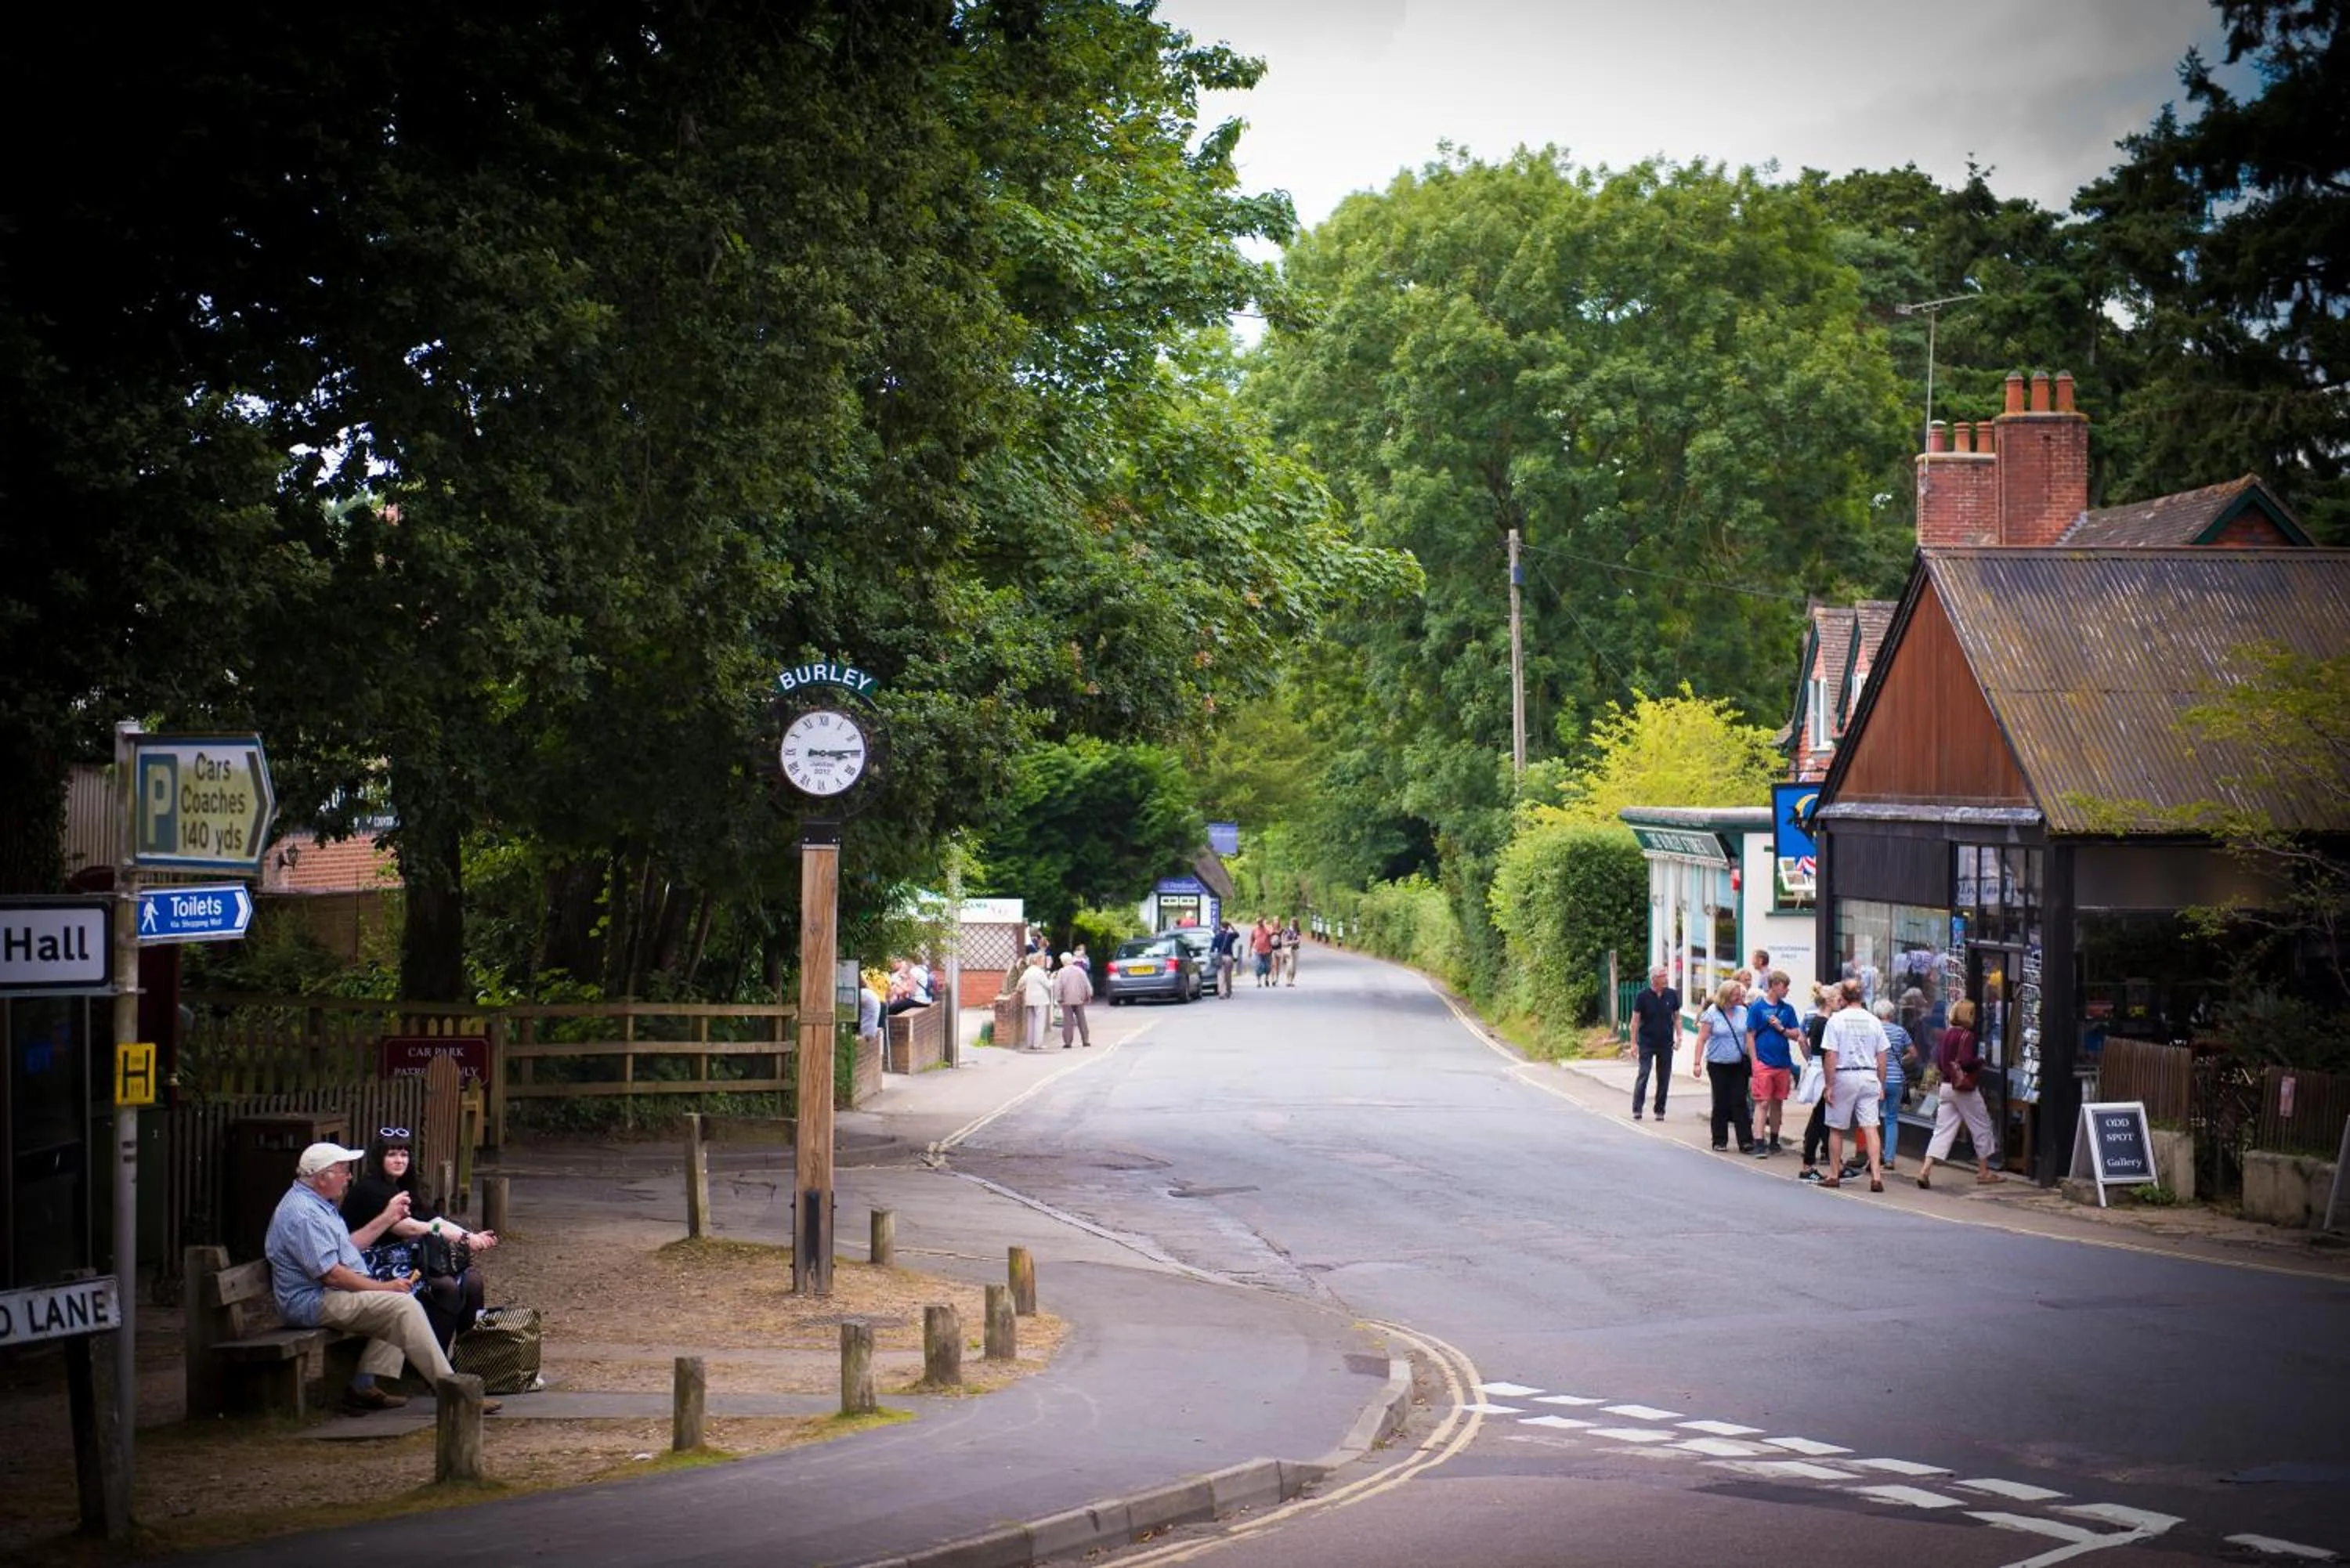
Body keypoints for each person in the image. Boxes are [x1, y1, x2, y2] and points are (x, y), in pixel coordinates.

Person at [264, 1140, 494, 1415]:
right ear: (322, 1177)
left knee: (399, 1301)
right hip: (309, 1302)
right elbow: (333, 1275)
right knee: (401, 1305)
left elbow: (349, 1246)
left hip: (326, 1293)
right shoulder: (304, 1214)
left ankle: (363, 1386)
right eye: (343, 1171)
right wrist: (383, 1286)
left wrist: (386, 1218)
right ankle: (455, 1394)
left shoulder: (319, 1203)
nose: (349, 1177)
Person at [344, 1129, 497, 1351]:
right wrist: (460, 1237)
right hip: (372, 1266)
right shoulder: (370, 1189)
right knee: (445, 1288)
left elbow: (433, 1218)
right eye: (392, 1154)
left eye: (404, 1154)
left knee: (472, 1282)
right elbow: (407, 1227)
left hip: (407, 1262)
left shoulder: (405, 1186)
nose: (399, 1160)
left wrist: (471, 1236)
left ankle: (468, 1359)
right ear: (379, 1158)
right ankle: (432, 1362)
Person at [1916, 998, 2004, 1188]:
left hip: (1946, 1087)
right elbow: (1965, 1061)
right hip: (1963, 1088)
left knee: (1942, 1130)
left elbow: (1940, 1062)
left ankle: (1925, 1169)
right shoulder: (1967, 1035)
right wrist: (1980, 1061)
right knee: (1981, 1124)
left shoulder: (1947, 1034)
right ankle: (1984, 1171)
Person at [1819, 979, 1888, 1191]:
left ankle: (1834, 1174)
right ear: (1862, 995)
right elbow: (1882, 1055)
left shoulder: (1836, 1020)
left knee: (1836, 1128)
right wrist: (1881, 1083)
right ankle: (1876, 1176)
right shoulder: (1874, 1021)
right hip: (1868, 1075)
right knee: (1871, 1127)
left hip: (1845, 1074)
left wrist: (1829, 1085)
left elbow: (1831, 1054)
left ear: (1843, 997)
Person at [1694, 981, 1755, 1153]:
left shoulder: (1743, 1012)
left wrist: (1754, 1060)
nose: (1739, 998)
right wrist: (1697, 1063)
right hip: (1717, 1064)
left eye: (1739, 995)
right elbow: (1701, 1040)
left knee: (1740, 1101)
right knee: (1721, 1101)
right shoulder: (1711, 1014)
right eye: (1735, 995)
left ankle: (1745, 1141)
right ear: (1726, 995)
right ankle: (1719, 1140)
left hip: (1738, 1064)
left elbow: (1749, 1038)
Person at [1746, 970, 1799, 1157]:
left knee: (1778, 1102)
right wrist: (1754, 1061)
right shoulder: (1757, 1008)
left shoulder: (1788, 1009)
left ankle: (1774, 1140)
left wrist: (1781, 1028)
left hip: (1782, 1062)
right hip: (1764, 1063)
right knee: (1762, 1102)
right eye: (1785, 987)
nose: (1787, 991)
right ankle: (1759, 1141)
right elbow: (1750, 1036)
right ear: (1775, 986)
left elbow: (1796, 1034)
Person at [1795, 984, 1836, 1182]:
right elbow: (1827, 1052)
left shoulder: (1818, 1021)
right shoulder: (1824, 1023)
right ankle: (1808, 1164)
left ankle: (1829, 1163)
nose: (1839, 1001)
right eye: (1836, 998)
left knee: (1821, 1117)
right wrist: (1830, 1081)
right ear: (1828, 1001)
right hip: (1822, 1072)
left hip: (1818, 1069)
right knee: (1820, 1118)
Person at [1871, 998, 1915, 1176]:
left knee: (1872, 1119)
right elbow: (1914, 1053)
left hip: (1876, 1079)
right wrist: (1900, 1061)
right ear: (1891, 1014)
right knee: (1891, 1119)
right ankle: (1889, 1158)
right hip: (1896, 1079)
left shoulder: (1873, 1029)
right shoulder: (1900, 1031)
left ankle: (1875, 1155)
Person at [1629, 965, 1679, 1121]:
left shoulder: (1671, 994)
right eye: (1663, 976)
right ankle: (1637, 1108)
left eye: (1666, 975)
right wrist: (1633, 1043)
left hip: (1666, 1042)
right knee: (1644, 1073)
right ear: (1654, 979)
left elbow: (1677, 1017)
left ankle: (1660, 1110)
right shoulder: (1642, 996)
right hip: (1647, 1042)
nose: (1666, 978)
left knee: (1664, 1077)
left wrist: (1680, 1036)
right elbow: (1635, 1021)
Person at [1053, 949, 1094, 1048]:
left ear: (1063, 961)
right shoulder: (1080, 971)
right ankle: (1085, 1040)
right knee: (1082, 1019)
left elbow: (1058, 986)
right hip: (1079, 999)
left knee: (1068, 1021)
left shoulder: (1061, 972)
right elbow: (1086, 984)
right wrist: (1089, 995)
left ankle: (1068, 1042)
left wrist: (1058, 998)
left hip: (1066, 1000)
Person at [1017, 952, 1055, 1051]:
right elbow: (1048, 985)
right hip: (1040, 999)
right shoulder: (1040, 972)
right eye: (1042, 960)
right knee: (1039, 1022)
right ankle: (1038, 1044)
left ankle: (1030, 1043)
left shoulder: (1028, 971)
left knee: (1030, 1021)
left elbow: (1020, 983)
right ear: (1038, 961)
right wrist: (1052, 980)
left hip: (1030, 999)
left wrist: (1020, 989)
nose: (1043, 962)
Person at [1210, 919, 1239, 998]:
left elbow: (1212, 949)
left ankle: (1221, 993)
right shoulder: (1230, 935)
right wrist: (1232, 927)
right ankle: (1228, 991)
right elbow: (1237, 934)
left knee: (1220, 975)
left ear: (1221, 926)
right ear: (1227, 927)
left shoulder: (1217, 936)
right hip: (1229, 957)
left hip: (1220, 957)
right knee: (1228, 975)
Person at [1250, 918, 1276, 987]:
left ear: (1262, 922)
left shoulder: (1267, 929)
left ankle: (1266, 979)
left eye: (1260, 922)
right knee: (1258, 966)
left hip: (1267, 951)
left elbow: (1271, 933)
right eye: (1258, 922)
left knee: (1268, 967)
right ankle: (1259, 982)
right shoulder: (1254, 930)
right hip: (1257, 951)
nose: (1259, 923)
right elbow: (1252, 940)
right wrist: (1250, 950)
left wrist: (1267, 927)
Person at [1279, 919, 1303, 985]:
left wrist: (1291, 942)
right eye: (1292, 923)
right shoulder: (1286, 931)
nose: (1293, 924)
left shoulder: (1298, 931)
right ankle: (1288, 980)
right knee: (1290, 965)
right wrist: (1290, 942)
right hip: (1288, 950)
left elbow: (1298, 940)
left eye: (1295, 923)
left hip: (1295, 950)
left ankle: (1291, 981)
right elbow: (1283, 941)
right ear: (1290, 923)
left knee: (1294, 967)